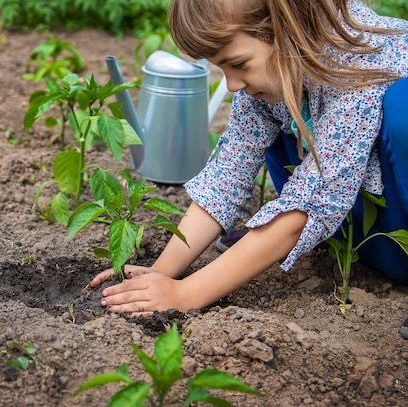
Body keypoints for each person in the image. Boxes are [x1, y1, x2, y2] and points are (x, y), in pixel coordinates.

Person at [86, 0, 408, 317]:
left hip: (396, 226)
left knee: (402, 110)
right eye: (222, 68)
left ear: (287, 30)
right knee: (269, 100)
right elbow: (226, 177)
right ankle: (264, 240)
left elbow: (310, 204)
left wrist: (186, 294)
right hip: (355, 233)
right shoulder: (278, 67)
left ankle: (266, 239)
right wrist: (162, 273)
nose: (231, 84)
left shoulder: (360, 61)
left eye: (237, 64)